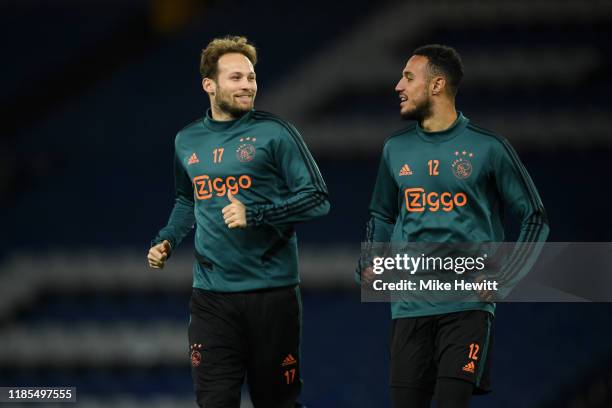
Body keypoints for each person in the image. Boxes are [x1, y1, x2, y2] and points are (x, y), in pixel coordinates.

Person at [357, 44, 549, 408]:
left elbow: (535, 217)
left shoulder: (489, 148)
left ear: (437, 85)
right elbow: (382, 215)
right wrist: (371, 262)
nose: (398, 85)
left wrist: (504, 277)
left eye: (408, 77)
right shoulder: (394, 149)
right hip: (409, 306)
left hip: (466, 306)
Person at [147, 35, 329, 408]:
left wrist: (257, 214)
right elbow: (187, 199)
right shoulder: (186, 140)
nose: (247, 85)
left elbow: (317, 199)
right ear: (209, 85)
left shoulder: (276, 133)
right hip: (212, 298)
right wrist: (167, 239)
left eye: (251, 77)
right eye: (236, 78)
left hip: (272, 295)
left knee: (277, 403)